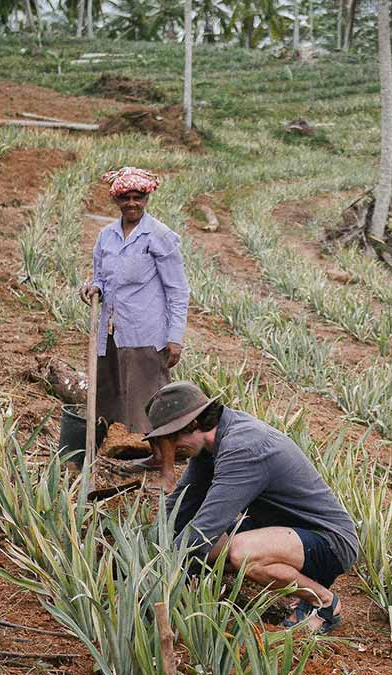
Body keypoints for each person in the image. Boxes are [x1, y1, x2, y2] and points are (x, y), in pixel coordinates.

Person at [145, 381, 359, 634]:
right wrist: (146, 551)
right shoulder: (211, 446)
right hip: (285, 531)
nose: (170, 448)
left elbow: (208, 524)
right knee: (212, 549)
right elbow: (182, 505)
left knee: (240, 552)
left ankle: (323, 603)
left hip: (329, 542)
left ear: (193, 424)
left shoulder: (244, 447)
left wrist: (160, 586)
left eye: (171, 437)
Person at [79, 168, 189, 488]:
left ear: (147, 197)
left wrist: (175, 338)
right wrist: (93, 288)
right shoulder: (107, 236)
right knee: (116, 396)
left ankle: (167, 473)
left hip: (146, 332)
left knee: (153, 402)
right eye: (125, 197)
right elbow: (100, 276)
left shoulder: (160, 236)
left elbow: (178, 290)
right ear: (116, 199)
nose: (131, 203)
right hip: (113, 331)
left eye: (137, 197)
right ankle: (151, 458)